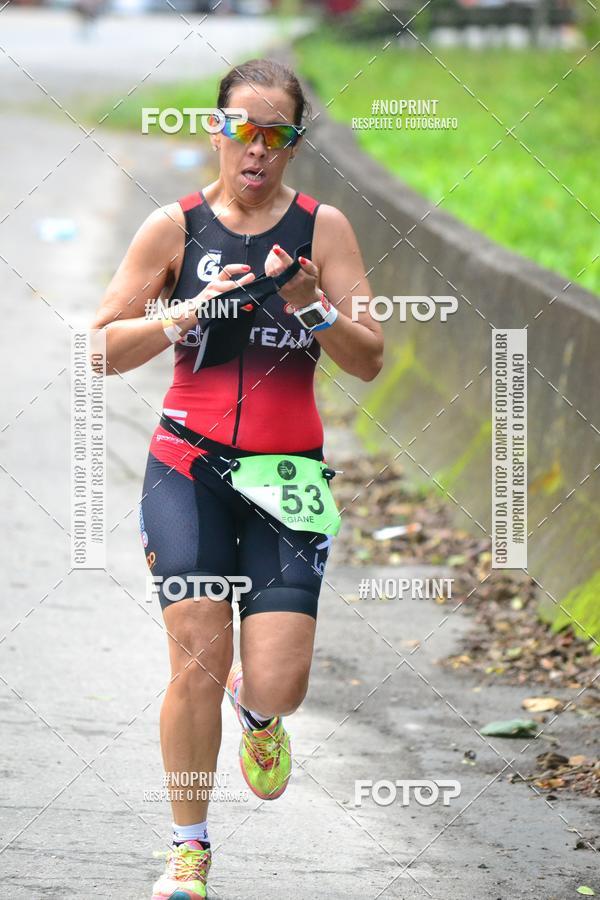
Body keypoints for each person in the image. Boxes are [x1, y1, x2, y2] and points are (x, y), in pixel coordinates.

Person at [91, 57, 383, 899]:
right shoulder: (173, 229)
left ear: (293, 144)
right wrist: (187, 309)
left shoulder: (323, 229)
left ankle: (260, 715)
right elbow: (101, 350)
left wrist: (312, 303)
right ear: (217, 131)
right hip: (189, 465)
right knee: (195, 661)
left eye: (275, 135)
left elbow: (369, 361)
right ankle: (189, 849)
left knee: (280, 682)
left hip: (289, 478)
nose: (255, 150)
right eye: (241, 129)